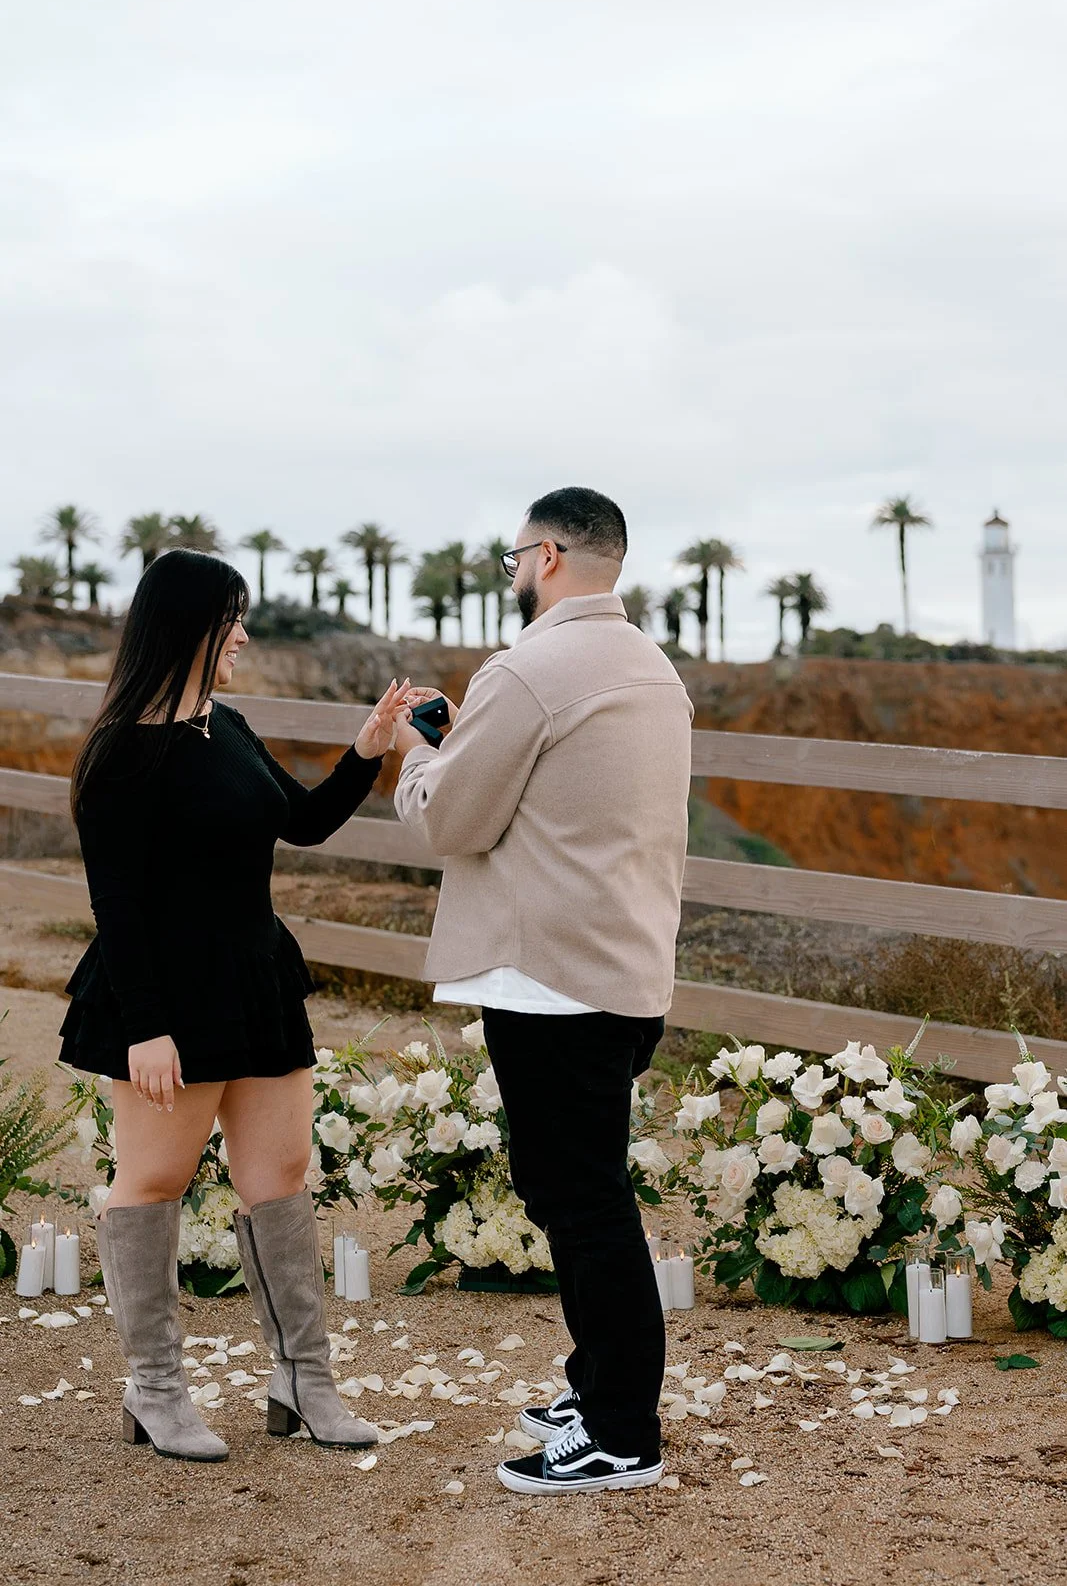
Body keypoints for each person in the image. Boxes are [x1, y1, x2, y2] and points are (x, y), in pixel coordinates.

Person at [61, 548, 411, 1462]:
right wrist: (145, 1026)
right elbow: (118, 907)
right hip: (164, 998)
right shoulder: (120, 754)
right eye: (233, 621)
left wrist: (366, 752)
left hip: (256, 981)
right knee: (152, 1183)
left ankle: (303, 1381)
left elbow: (299, 824)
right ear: (189, 627)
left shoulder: (231, 726)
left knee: (279, 1178)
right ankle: (156, 1391)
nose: (245, 637)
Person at [393, 487, 693, 1494]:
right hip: (625, 968)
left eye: (518, 554)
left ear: (551, 555)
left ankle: (618, 1431)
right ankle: (600, 1384)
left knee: (582, 1201)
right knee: (584, 1190)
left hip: (548, 977)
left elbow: (449, 823)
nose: (512, 571)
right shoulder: (653, 672)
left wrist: (418, 755)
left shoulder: (527, 671)